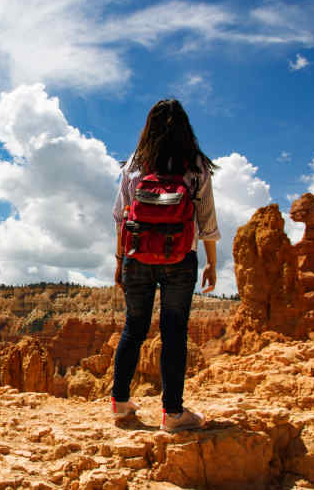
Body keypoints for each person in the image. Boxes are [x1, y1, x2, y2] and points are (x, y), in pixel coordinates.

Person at [111, 98, 220, 432]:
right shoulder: (196, 166)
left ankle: (119, 403)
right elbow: (207, 220)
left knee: (134, 327)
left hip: (137, 256)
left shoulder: (133, 165)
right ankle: (172, 414)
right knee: (174, 333)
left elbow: (120, 217)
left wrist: (120, 261)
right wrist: (211, 264)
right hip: (180, 259)